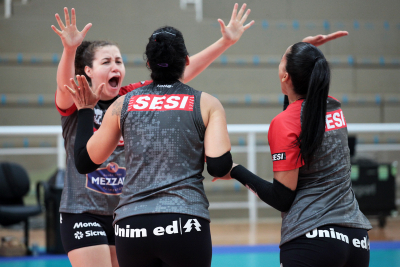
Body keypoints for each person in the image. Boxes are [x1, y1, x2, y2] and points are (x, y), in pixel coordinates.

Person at [51, 4, 254, 267]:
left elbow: (178, 75)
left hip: (124, 210)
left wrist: (225, 42)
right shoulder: (77, 99)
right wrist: (69, 49)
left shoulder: (130, 98)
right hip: (83, 210)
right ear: (88, 71)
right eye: (106, 62)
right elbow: (63, 86)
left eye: (119, 61)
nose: (115, 66)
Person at [214, 41, 372, 266]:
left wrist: (236, 171)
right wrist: (306, 55)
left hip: (311, 240)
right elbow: (299, 110)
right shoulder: (335, 107)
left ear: (285, 76)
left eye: (282, 58)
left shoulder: (285, 122)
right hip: (357, 241)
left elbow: (282, 198)